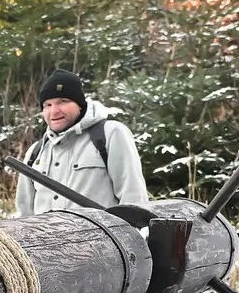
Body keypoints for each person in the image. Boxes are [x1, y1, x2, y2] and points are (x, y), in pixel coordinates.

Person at [15, 68, 150, 217]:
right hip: (47, 240)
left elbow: (133, 197)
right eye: (47, 105)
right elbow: (24, 214)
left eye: (63, 101)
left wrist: (131, 235)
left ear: (79, 104)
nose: (54, 111)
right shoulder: (36, 152)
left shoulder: (110, 134)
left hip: (100, 239)